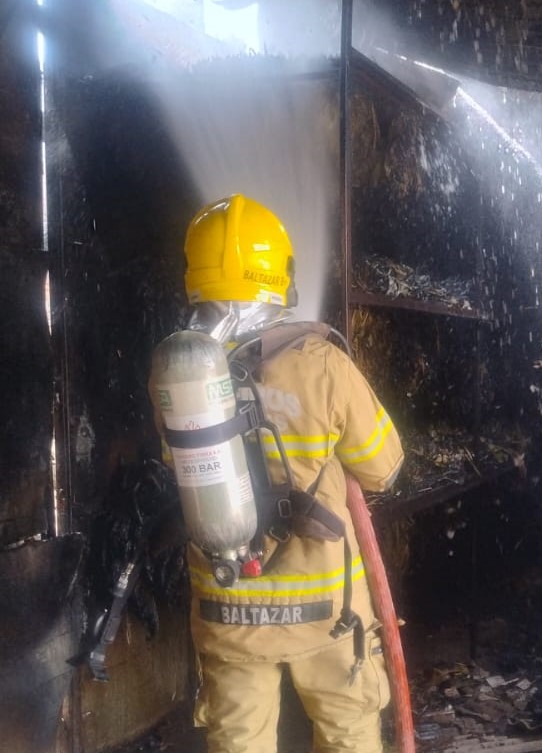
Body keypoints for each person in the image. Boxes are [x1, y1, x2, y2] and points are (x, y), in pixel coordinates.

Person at [149, 194, 404, 753]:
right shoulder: (323, 364)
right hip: (327, 619)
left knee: (238, 742)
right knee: (348, 735)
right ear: (277, 276)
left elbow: (180, 470)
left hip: (227, 610)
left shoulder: (177, 376)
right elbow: (384, 467)